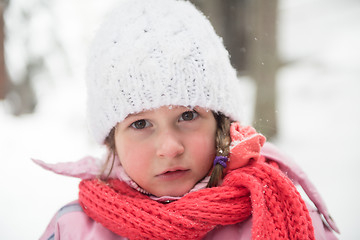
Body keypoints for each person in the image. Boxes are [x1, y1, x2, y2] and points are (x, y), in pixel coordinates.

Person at [34, 0, 339, 239]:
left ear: (221, 124)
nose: (169, 147)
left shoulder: (281, 213)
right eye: (140, 124)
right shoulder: (72, 229)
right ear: (112, 138)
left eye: (188, 115)